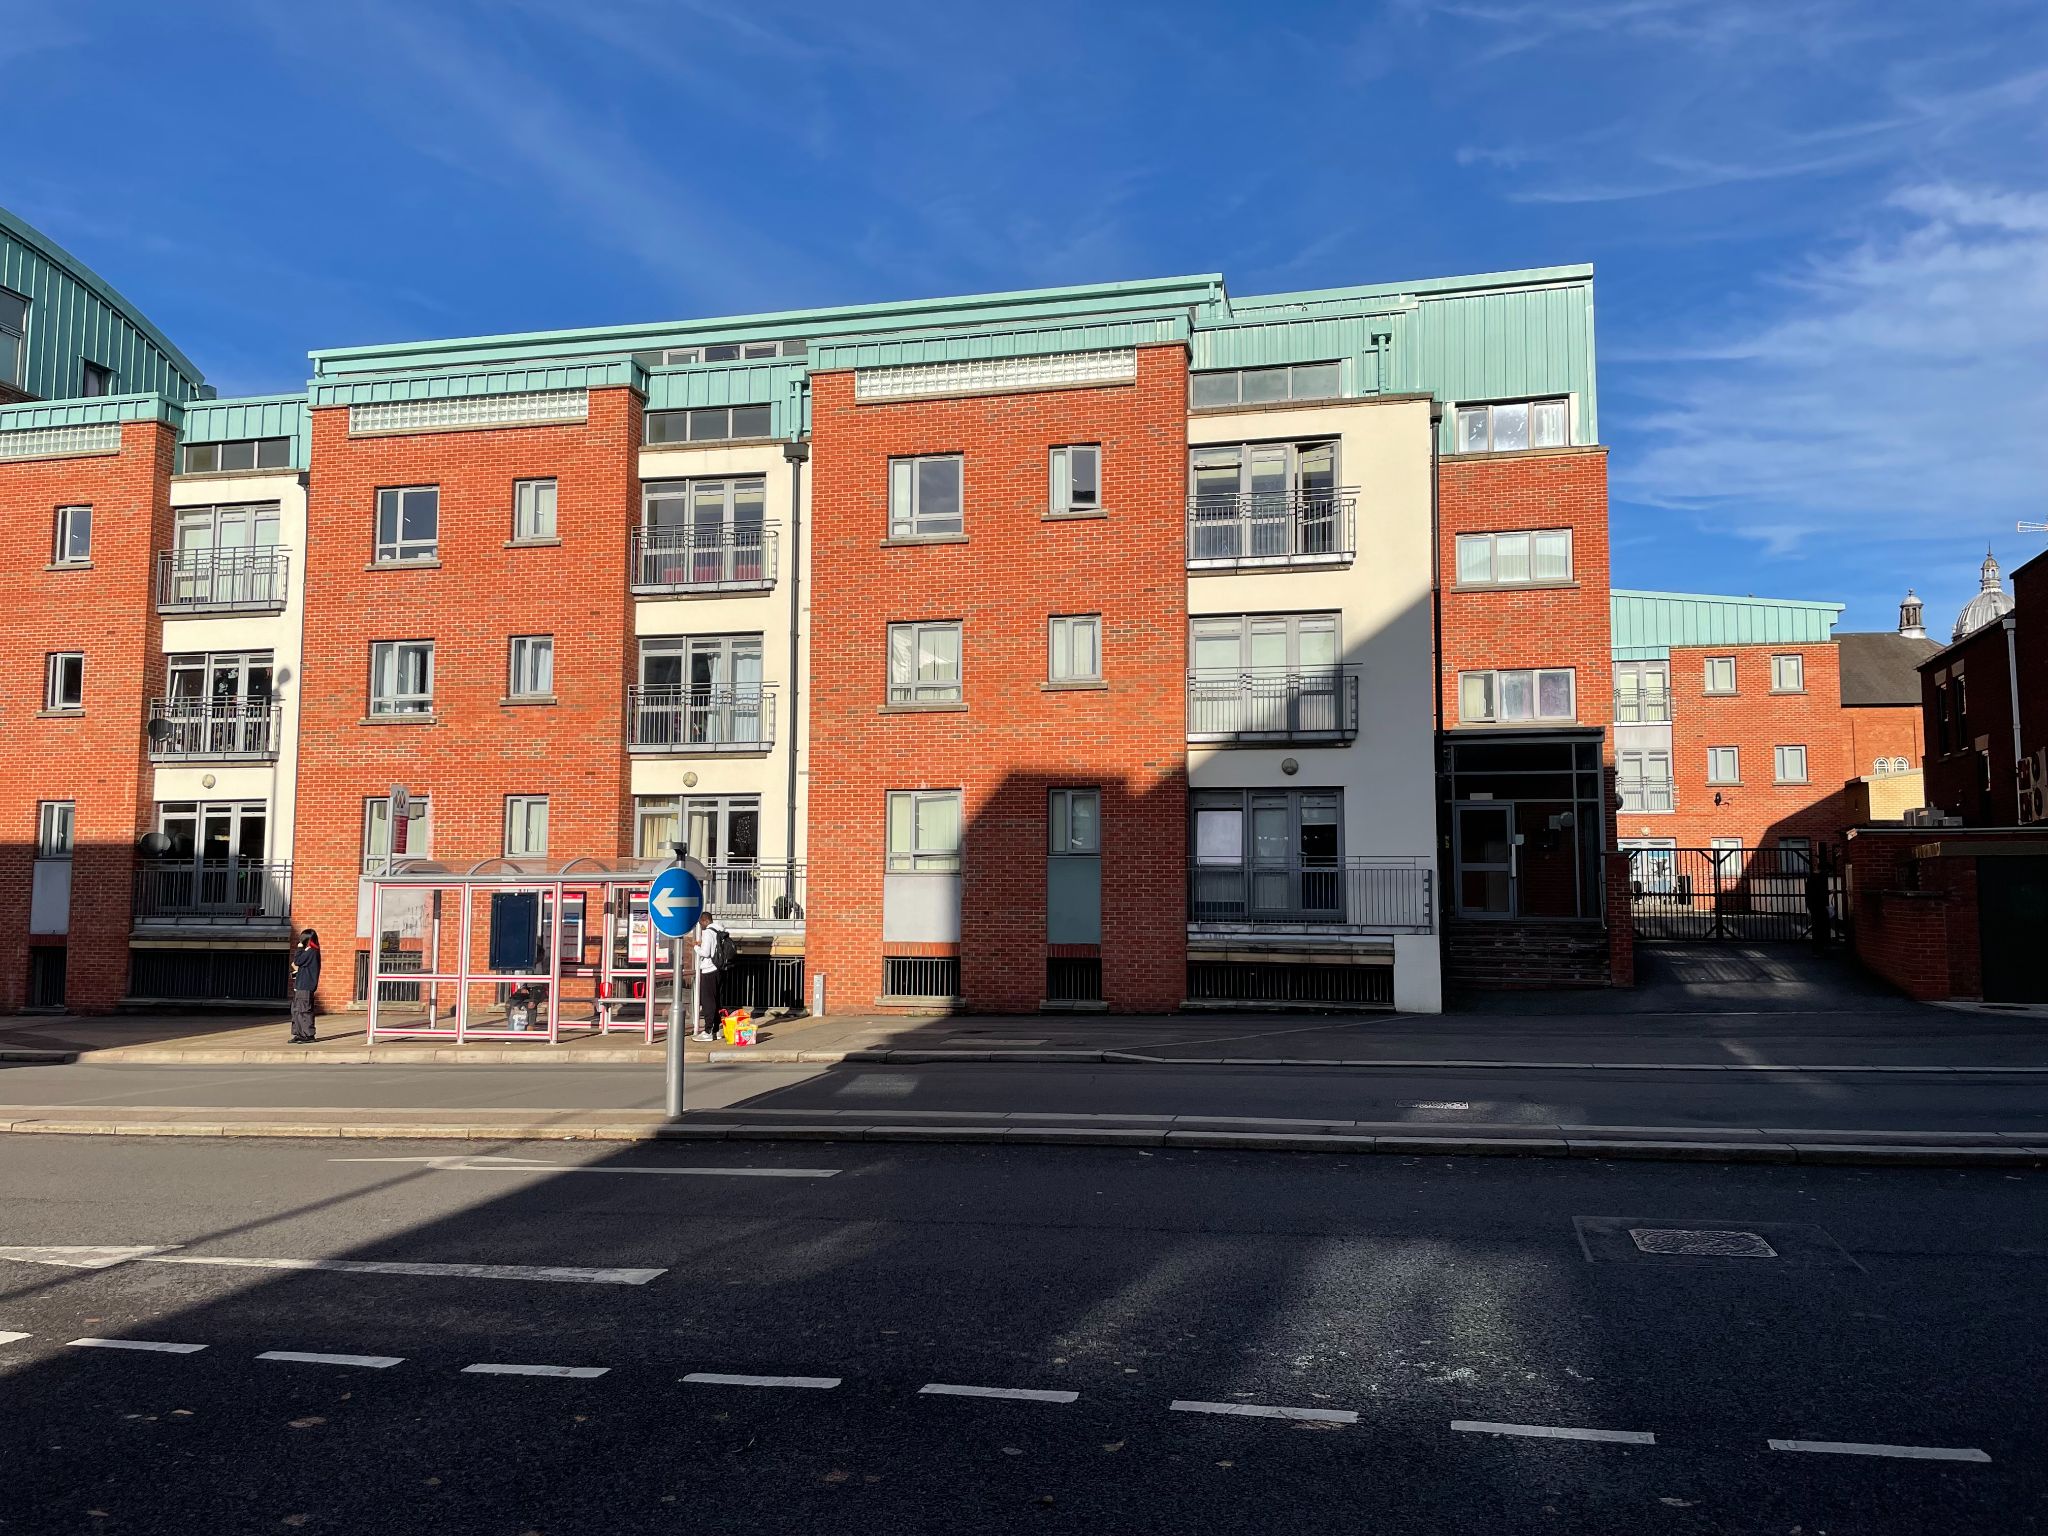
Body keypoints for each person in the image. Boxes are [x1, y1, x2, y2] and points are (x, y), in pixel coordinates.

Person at [692, 909, 728, 1041]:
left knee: (708, 1001)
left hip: (709, 970)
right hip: (720, 969)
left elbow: (706, 953)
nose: (700, 925)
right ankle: (717, 1030)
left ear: (706, 920)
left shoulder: (707, 932)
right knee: (717, 1000)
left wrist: (696, 947)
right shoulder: (719, 930)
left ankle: (708, 1031)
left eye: (701, 922)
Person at [290, 928, 321, 1043]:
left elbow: (297, 961)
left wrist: (299, 948)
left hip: (306, 986)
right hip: (300, 985)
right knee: (297, 1010)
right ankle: (299, 1033)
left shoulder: (311, 952)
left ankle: (308, 1034)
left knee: (304, 1011)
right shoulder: (308, 951)